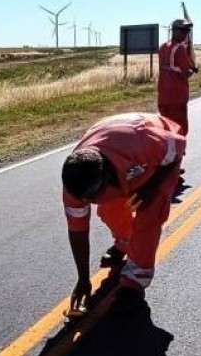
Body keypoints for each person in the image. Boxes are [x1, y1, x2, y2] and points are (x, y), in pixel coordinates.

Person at [61, 113, 186, 312]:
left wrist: (151, 187)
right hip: (115, 151)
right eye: (84, 199)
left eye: (92, 197)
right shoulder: (76, 186)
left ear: (108, 176)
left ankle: (135, 282)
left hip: (157, 157)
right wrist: (83, 279)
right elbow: (78, 231)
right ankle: (126, 242)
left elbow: (177, 148)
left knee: (149, 213)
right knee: (109, 209)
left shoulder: (141, 142)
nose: (87, 203)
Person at [157, 19, 197, 137]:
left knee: (166, 129)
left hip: (163, 96)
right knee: (179, 129)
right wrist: (192, 70)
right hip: (177, 96)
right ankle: (177, 154)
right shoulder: (180, 49)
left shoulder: (163, 46)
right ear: (174, 31)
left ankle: (167, 153)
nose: (185, 33)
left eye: (187, 30)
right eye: (182, 30)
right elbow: (186, 73)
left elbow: (163, 69)